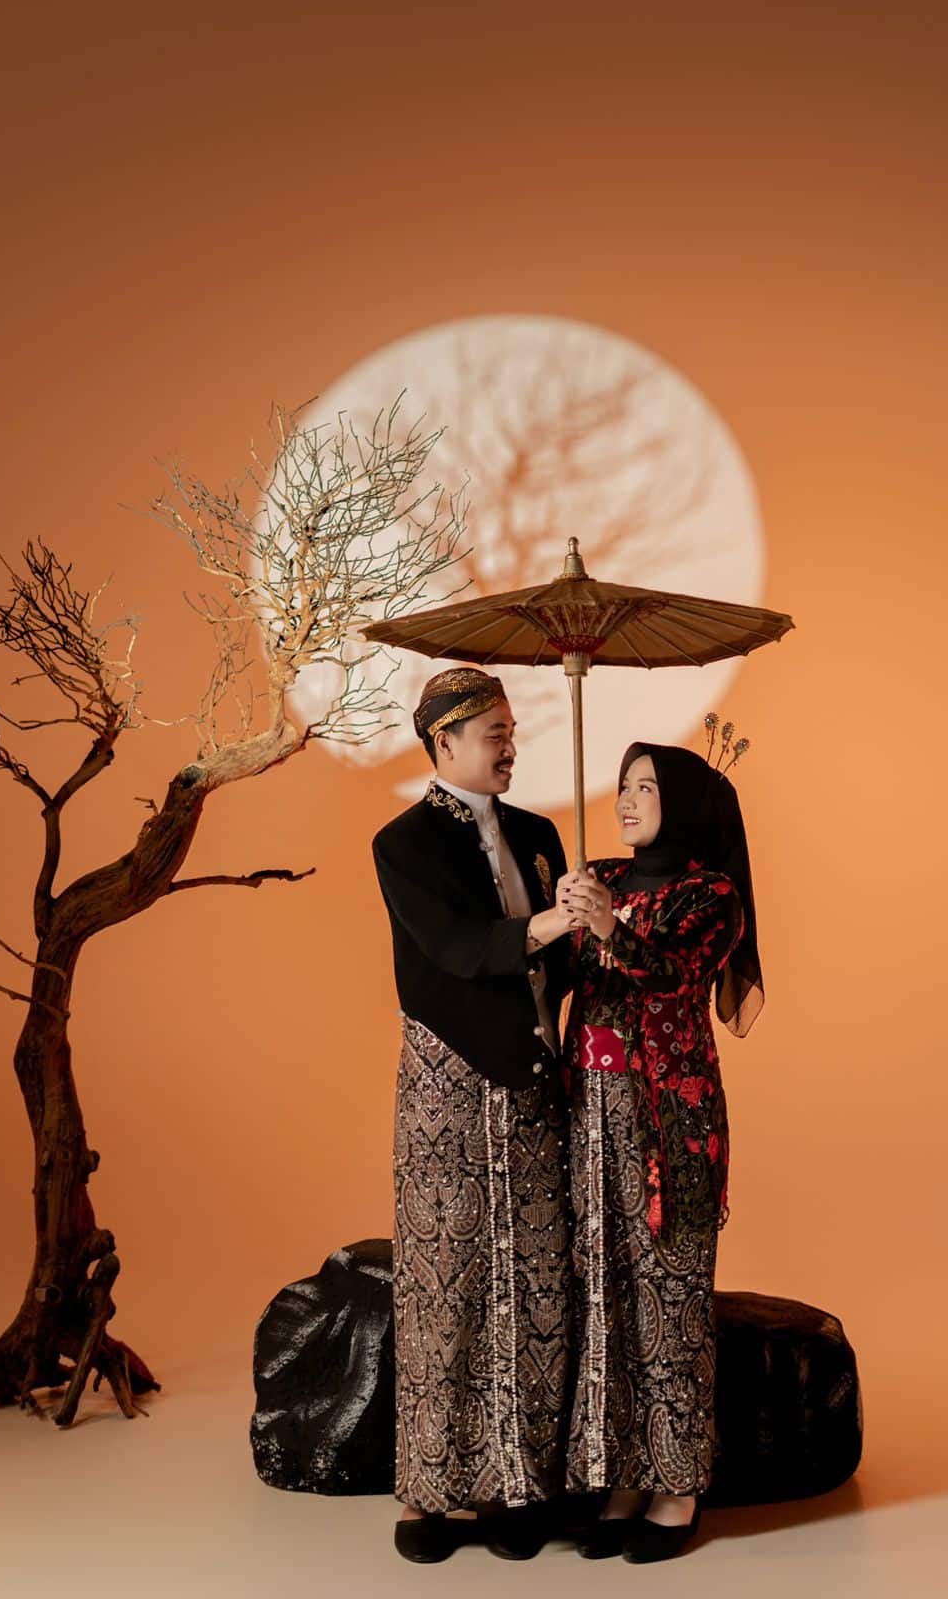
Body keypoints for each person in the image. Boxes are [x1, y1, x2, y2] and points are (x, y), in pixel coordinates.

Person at [372, 667, 582, 1564]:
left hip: (534, 1076)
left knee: (534, 1278)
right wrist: (547, 927)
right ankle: (428, 1493)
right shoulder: (404, 844)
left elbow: (559, 971)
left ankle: (517, 1487)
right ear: (444, 743)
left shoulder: (539, 836)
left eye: (510, 731)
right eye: (494, 733)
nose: (509, 747)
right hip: (448, 1082)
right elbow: (457, 949)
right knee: (444, 1279)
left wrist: (585, 921)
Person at [557, 738, 764, 1564]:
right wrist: (564, 913)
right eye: (623, 785)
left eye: (646, 787)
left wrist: (606, 924)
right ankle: (619, 1477)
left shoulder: (711, 895)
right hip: (589, 1112)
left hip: (666, 1122)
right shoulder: (601, 876)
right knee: (603, 1292)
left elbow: (672, 975)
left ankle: (677, 1485)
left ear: (684, 801)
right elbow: (568, 973)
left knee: (668, 1297)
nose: (626, 799)